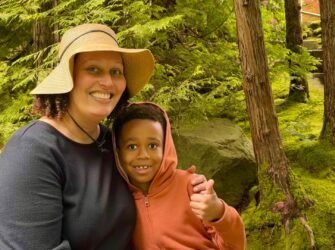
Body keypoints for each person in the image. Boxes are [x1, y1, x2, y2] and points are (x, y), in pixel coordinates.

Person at [0, 23, 206, 250]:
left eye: (116, 72)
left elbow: (152, 195)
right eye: (93, 69)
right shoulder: (32, 152)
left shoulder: (113, 143)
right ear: (68, 78)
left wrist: (189, 187)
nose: (108, 82)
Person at [113, 102, 246, 249]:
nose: (143, 155)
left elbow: (234, 246)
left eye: (152, 146)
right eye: (132, 146)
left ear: (166, 146)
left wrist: (218, 212)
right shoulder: (118, 198)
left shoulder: (191, 187)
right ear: (118, 151)